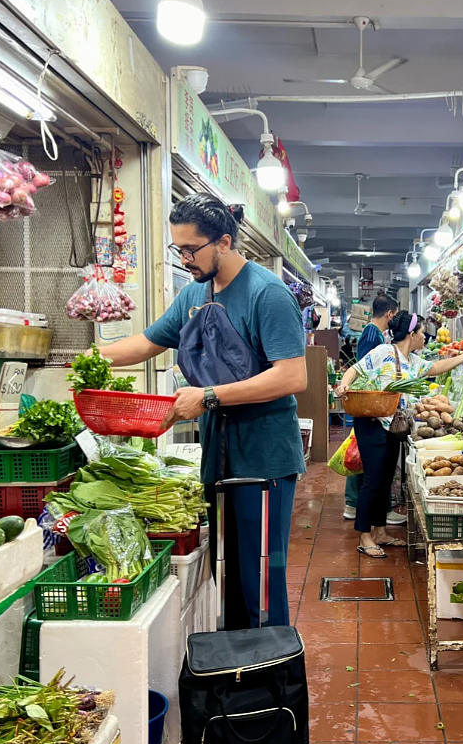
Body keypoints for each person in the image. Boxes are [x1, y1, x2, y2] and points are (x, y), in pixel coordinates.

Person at [91, 193, 307, 629]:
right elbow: (149, 341)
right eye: (178, 249)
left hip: (263, 459)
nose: (185, 258)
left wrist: (207, 397)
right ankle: (235, 668)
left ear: (224, 242)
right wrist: (91, 357)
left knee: (262, 578)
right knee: (227, 574)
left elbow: (292, 377)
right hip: (220, 453)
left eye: (192, 249)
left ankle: (271, 674)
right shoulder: (195, 292)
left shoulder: (268, 294)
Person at [336, 311, 463, 558]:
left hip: (393, 426)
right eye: (421, 333)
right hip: (372, 423)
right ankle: (365, 536)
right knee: (373, 480)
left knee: (385, 479)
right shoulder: (384, 352)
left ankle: (380, 532)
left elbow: (436, 367)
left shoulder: (412, 360)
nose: (425, 338)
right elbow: (354, 370)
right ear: (411, 334)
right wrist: (343, 385)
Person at [343, 293, 403, 525]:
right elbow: (365, 369)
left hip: (371, 406)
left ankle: (366, 508)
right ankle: (358, 506)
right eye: (395, 315)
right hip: (369, 407)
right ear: (389, 314)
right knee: (369, 464)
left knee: (367, 461)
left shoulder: (374, 333)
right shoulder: (371, 334)